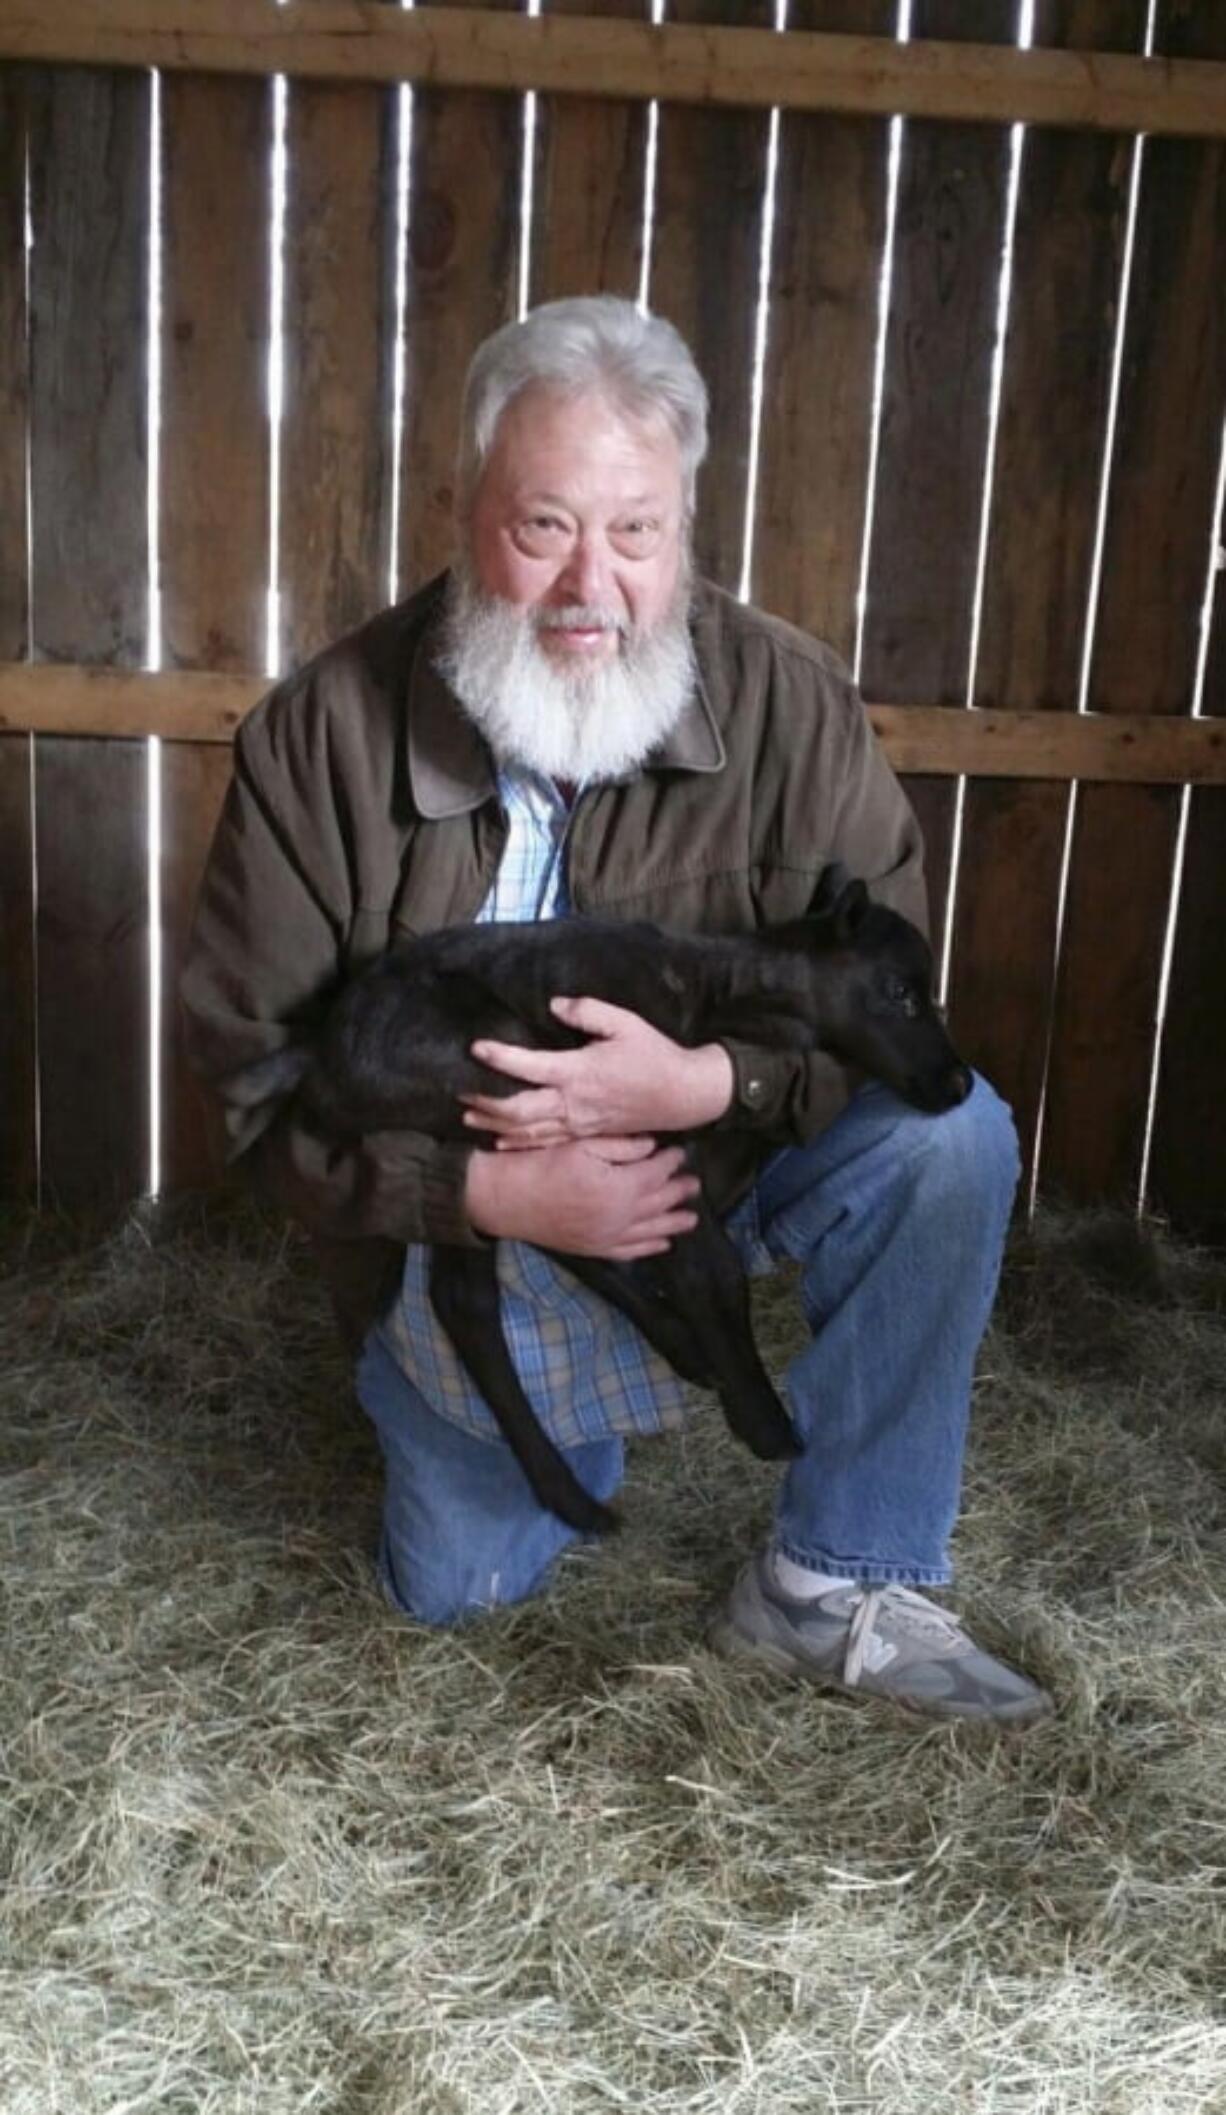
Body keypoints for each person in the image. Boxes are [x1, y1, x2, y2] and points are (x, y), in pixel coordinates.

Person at [182, 295, 1051, 1726]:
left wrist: (711, 1087)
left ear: (685, 524)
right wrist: (491, 1193)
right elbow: (249, 1086)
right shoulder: (318, 735)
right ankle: (540, 1396)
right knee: (459, 1590)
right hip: (470, 1231)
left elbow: (878, 990)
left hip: (728, 1162)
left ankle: (835, 1576)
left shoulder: (786, 698)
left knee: (944, 1144)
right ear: (464, 509)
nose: (592, 582)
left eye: (635, 532)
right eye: (543, 528)